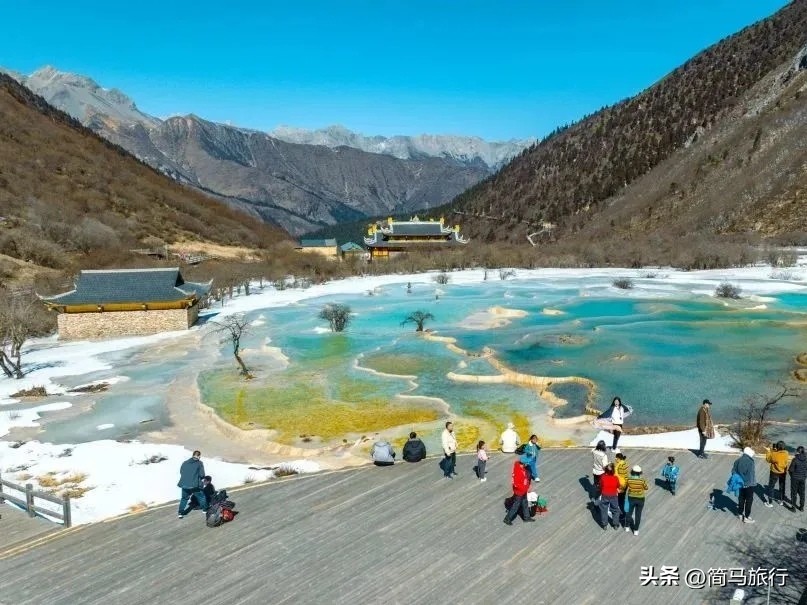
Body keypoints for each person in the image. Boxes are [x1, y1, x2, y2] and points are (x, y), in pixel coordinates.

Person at [504, 455, 535, 525]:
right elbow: (515, 484)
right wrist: (523, 488)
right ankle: (507, 519)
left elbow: (525, 479)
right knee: (515, 506)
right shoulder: (518, 471)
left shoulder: (521, 468)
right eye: (526, 463)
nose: (527, 464)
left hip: (523, 491)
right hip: (519, 492)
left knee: (525, 503)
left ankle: (527, 518)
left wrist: (526, 487)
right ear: (523, 463)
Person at [177, 450, 207, 519]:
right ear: (199, 456)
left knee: (184, 498)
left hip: (184, 485)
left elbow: (181, 472)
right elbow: (202, 475)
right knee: (201, 497)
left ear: (192, 455)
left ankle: (180, 513)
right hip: (194, 485)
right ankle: (205, 509)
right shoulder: (199, 463)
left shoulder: (185, 463)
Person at [732, 446, 757, 523]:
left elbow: (733, 472)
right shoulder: (750, 462)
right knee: (749, 500)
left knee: (741, 498)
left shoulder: (737, 461)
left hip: (739, 484)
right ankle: (746, 517)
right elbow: (750, 474)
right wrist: (747, 483)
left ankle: (740, 514)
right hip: (748, 484)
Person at [763, 441, 789, 507]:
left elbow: (768, 459)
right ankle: (781, 501)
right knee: (782, 486)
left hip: (774, 472)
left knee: (771, 486)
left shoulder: (775, 454)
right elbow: (779, 455)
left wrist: (769, 451)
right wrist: (775, 450)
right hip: (783, 472)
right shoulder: (786, 453)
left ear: (777, 447)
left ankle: (770, 503)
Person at [625, 465, 649, 535]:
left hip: (631, 498)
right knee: (638, 515)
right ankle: (636, 530)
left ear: (632, 471)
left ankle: (627, 527)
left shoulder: (629, 479)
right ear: (640, 472)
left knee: (629, 512)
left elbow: (626, 486)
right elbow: (646, 488)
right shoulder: (642, 480)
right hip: (640, 499)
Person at [599, 463, 621, 530]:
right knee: (615, 510)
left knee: (604, 510)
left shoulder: (603, 477)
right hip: (613, 495)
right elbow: (618, 486)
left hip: (605, 495)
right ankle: (615, 524)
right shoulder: (615, 478)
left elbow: (601, 486)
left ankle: (604, 525)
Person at [788, 445, 806, 512]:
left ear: (797, 451)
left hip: (795, 478)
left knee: (794, 493)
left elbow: (790, 470)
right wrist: (804, 476)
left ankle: (793, 508)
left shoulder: (795, 459)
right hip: (802, 479)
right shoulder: (806, 459)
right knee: (802, 493)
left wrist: (792, 477)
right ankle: (801, 507)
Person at [614, 451, 629, 526]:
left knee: (620, 500)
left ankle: (623, 514)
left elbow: (617, 475)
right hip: (625, 483)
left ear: (619, 459)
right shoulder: (624, 463)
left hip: (621, 485)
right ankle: (623, 511)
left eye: (616, 458)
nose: (615, 459)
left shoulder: (619, 466)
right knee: (622, 499)